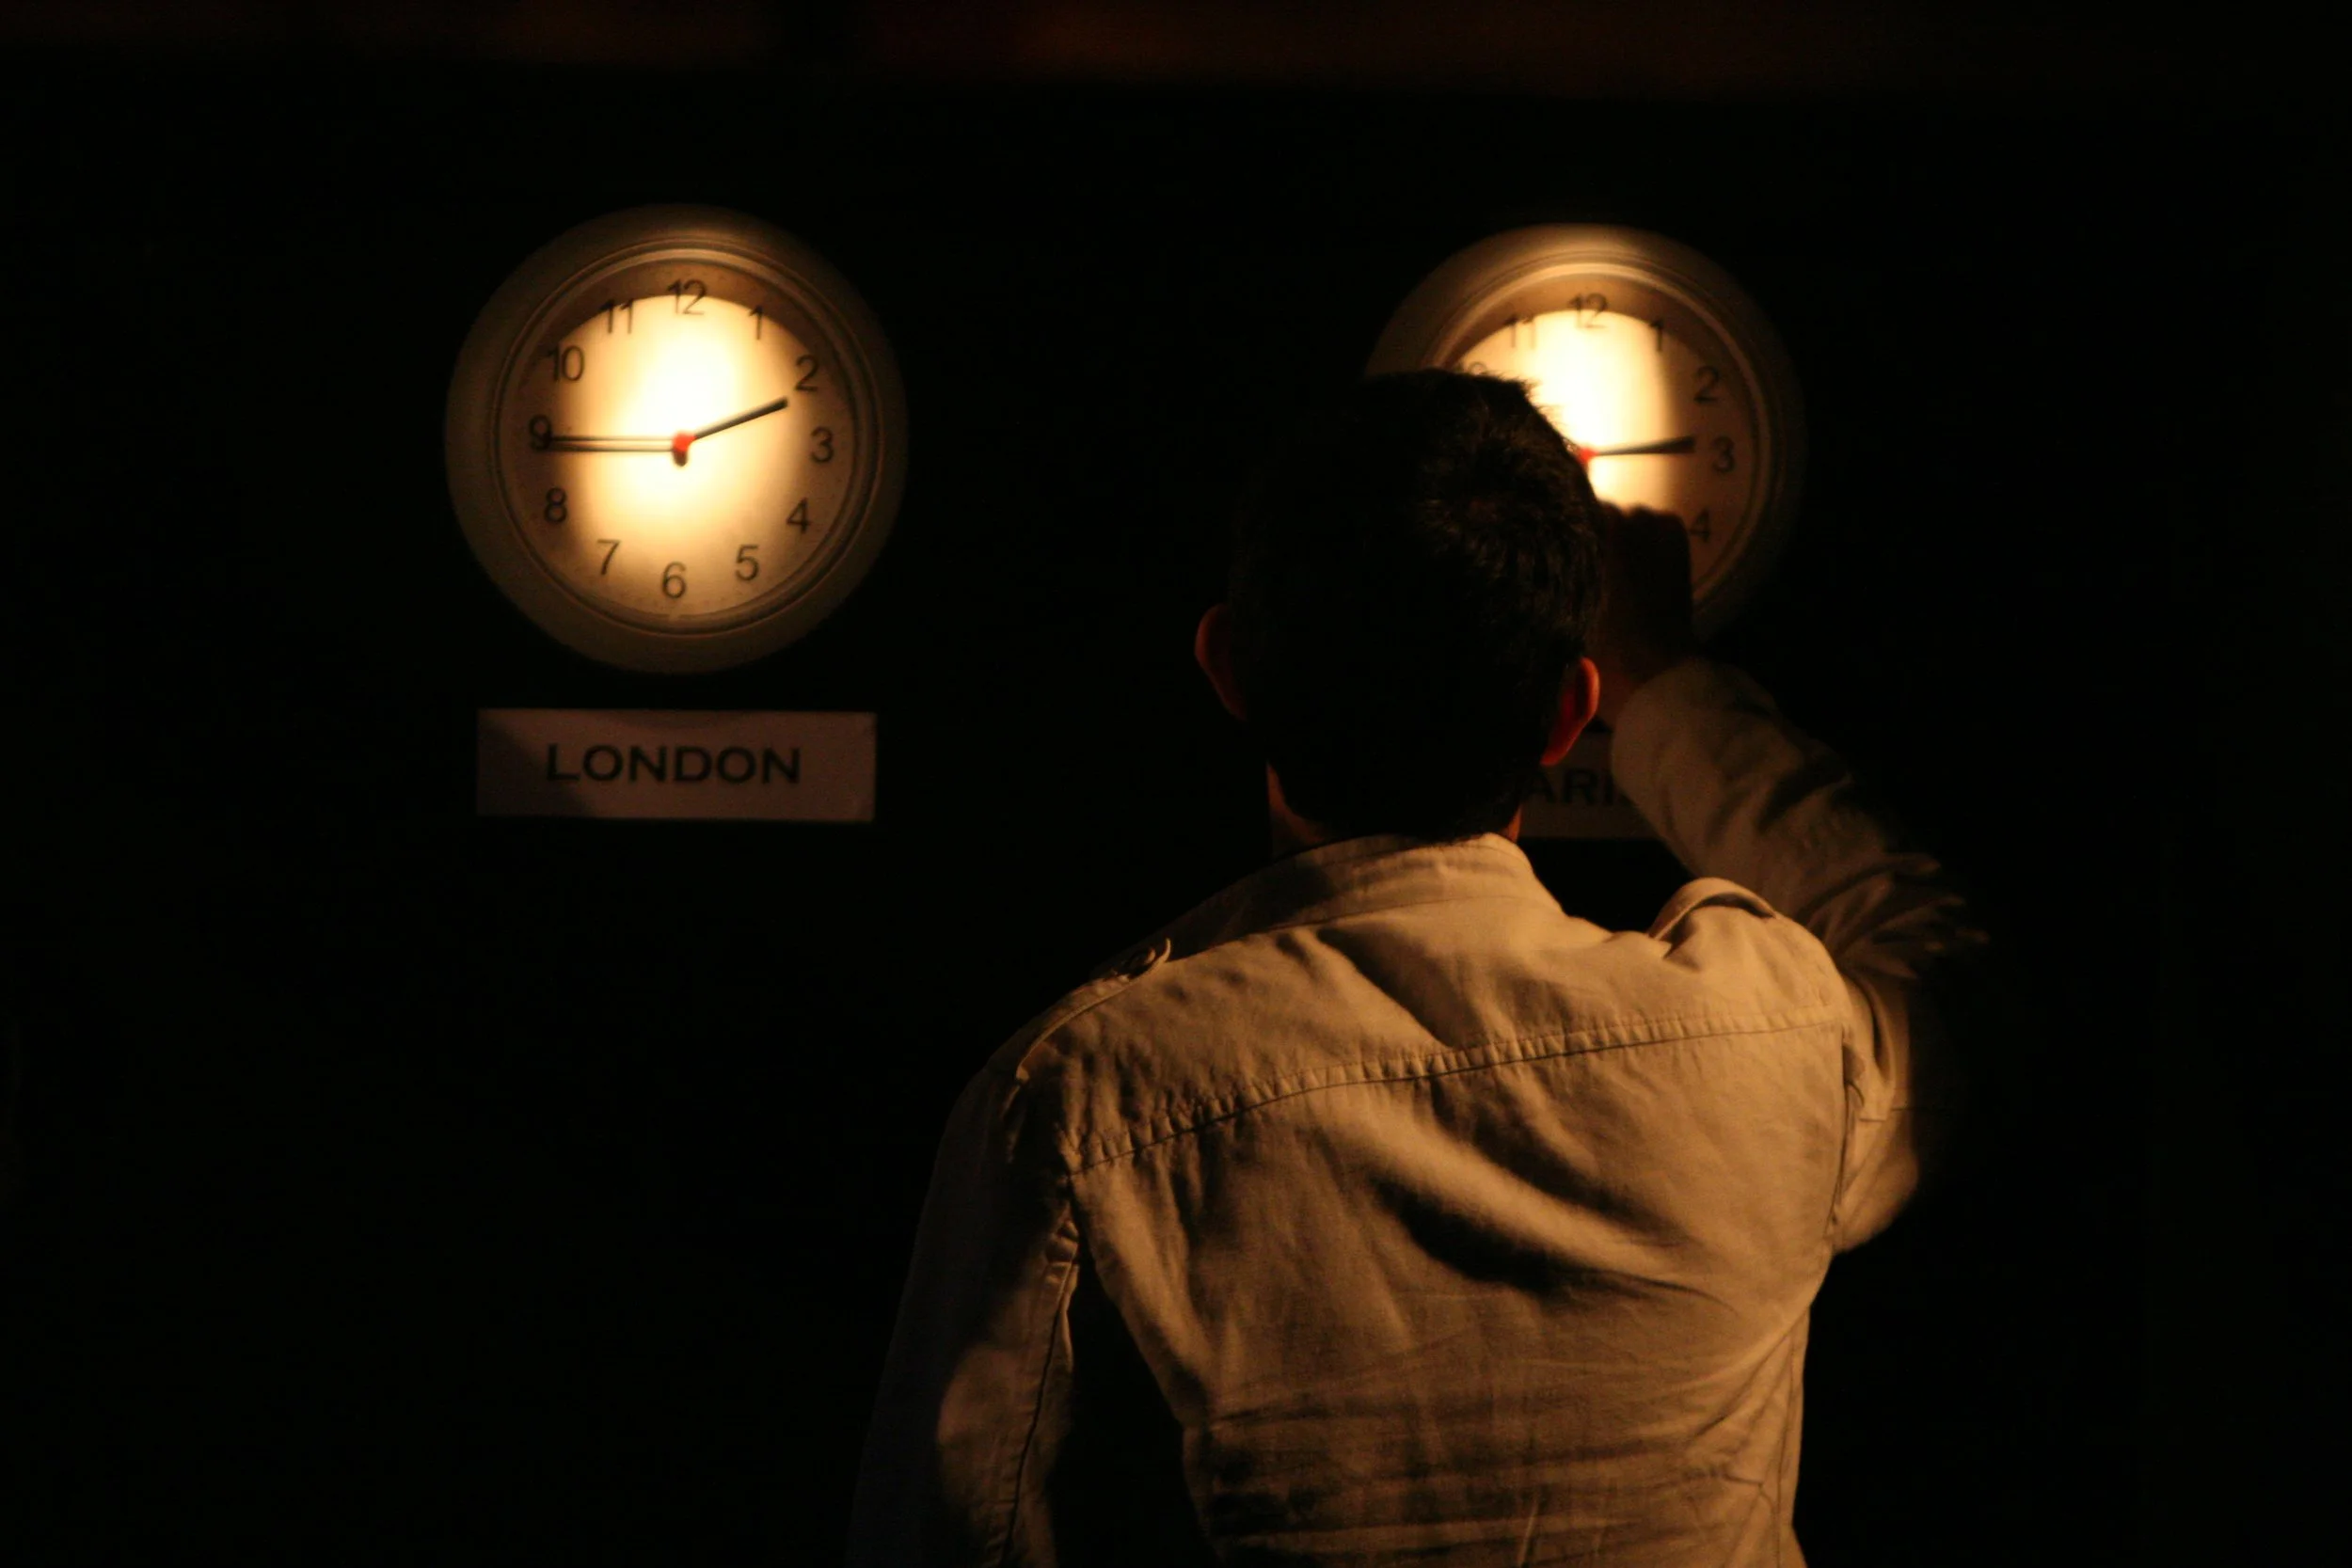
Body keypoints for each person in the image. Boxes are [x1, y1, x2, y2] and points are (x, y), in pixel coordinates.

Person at [844, 370, 1982, 1566]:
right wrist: (1664, 677)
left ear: (1228, 667)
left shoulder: (1079, 1107)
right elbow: (1933, 960)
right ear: (1565, 714)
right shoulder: (1775, 1039)